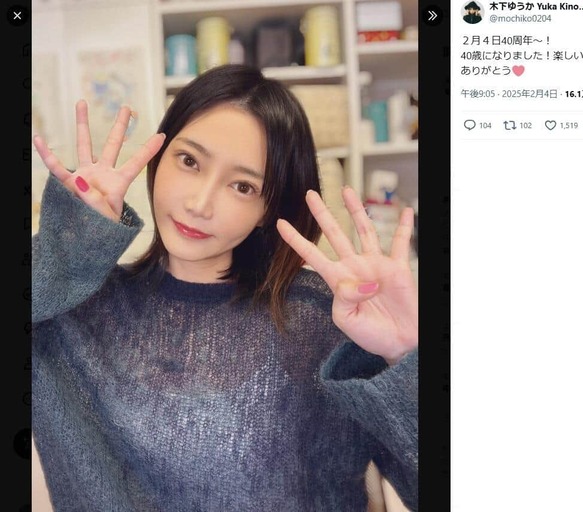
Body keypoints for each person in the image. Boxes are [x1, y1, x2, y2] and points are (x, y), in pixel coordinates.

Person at [32, 63, 418, 511]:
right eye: (189, 161)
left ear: (269, 207)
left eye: (242, 186)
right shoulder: (75, 309)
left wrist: (406, 357)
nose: (200, 204)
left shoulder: (326, 319)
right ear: (159, 157)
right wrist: (69, 246)